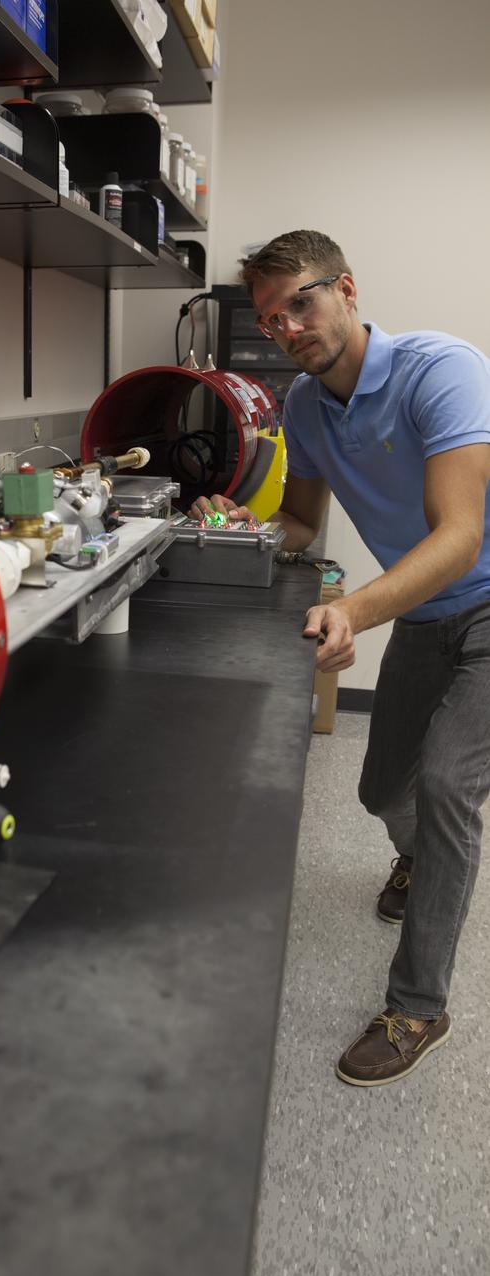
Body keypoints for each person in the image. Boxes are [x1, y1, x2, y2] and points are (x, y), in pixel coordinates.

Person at [190, 229, 490, 1087]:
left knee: (444, 789)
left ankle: (417, 1008)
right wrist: (240, 525)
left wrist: (351, 607)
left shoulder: (440, 370)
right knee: (378, 788)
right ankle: (421, 859)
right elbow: (300, 523)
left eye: (302, 302)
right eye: (269, 316)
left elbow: (460, 538)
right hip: (426, 616)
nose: (286, 326)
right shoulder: (305, 407)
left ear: (347, 290)